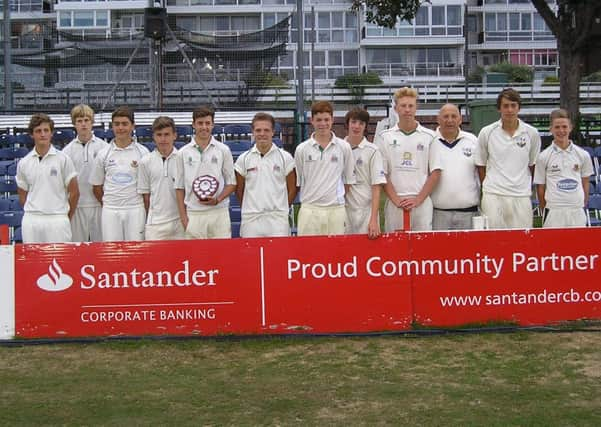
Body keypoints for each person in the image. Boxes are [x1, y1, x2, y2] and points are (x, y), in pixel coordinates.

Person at [375, 87, 441, 231]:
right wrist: (396, 200)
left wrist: (418, 199)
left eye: (410, 106)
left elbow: (435, 173)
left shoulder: (430, 136)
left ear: (416, 108)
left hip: (421, 203)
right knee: (395, 250)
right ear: (395, 108)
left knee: (422, 249)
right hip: (395, 203)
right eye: (403, 106)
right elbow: (382, 174)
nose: (407, 110)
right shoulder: (385, 137)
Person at [474, 88, 541, 229]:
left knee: (522, 239)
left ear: (518, 108)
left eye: (513, 105)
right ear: (499, 109)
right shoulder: (487, 132)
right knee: (494, 240)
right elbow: (480, 164)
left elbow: (533, 164)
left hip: (521, 195)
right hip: (494, 194)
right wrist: (490, 185)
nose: (509, 110)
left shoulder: (532, 133)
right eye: (505, 106)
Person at [294, 101, 355, 236]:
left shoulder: (344, 147)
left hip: (336, 210)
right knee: (308, 255)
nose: (323, 124)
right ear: (312, 121)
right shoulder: (301, 149)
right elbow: (299, 181)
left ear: (332, 120)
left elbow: (348, 181)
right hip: (309, 210)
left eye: (326, 119)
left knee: (336, 255)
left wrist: (333, 198)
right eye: (319, 120)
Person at [16, 113, 79, 243]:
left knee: (60, 261)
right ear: (32, 135)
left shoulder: (64, 159)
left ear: (51, 133)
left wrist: (64, 216)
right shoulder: (24, 162)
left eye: (46, 130)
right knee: (33, 261)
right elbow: (22, 196)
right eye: (38, 131)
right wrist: (35, 211)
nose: (42, 134)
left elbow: (74, 193)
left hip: (58, 220)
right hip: (32, 220)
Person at [89, 106, 150, 241]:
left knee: (135, 251)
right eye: (117, 124)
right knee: (112, 252)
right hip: (111, 209)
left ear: (133, 126)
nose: (120, 128)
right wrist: (110, 203)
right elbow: (96, 187)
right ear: (112, 126)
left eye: (124, 124)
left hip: (135, 208)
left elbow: (147, 189)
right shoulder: (103, 154)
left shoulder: (143, 153)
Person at [175, 106, 236, 239]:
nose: (204, 127)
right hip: (194, 214)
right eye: (200, 123)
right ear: (193, 124)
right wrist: (184, 218)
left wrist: (217, 200)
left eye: (207, 123)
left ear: (213, 124)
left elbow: (232, 183)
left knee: (221, 257)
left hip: (219, 212)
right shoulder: (182, 153)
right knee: (196, 258)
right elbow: (179, 188)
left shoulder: (223, 150)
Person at [234, 113, 296, 238]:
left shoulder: (285, 157)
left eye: (266, 130)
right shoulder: (243, 159)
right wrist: (250, 209)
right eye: (258, 130)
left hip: (277, 220)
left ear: (273, 132)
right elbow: (239, 191)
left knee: (278, 257)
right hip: (251, 220)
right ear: (253, 132)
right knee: (251, 257)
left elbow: (293, 188)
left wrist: (281, 207)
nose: (262, 133)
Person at [534, 109, 594, 228]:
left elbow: (586, 183)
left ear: (570, 127)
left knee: (578, 246)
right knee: (553, 246)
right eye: (557, 127)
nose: (561, 131)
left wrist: (580, 203)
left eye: (564, 127)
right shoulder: (543, 157)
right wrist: (547, 207)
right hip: (554, 211)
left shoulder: (583, 155)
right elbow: (540, 188)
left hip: (577, 211)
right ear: (551, 129)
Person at [62, 104, 108, 242]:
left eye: (87, 120)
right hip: (77, 207)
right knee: (77, 248)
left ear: (92, 122)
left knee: (101, 248)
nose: (83, 124)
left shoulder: (104, 149)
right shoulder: (66, 152)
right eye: (79, 121)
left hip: (99, 205)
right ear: (74, 124)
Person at [430, 104, 480, 230]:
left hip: (469, 213)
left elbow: (481, 172)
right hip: (438, 213)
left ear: (460, 119)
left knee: (469, 250)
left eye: (454, 116)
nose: (450, 120)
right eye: (445, 116)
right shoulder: (430, 141)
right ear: (438, 119)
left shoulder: (472, 140)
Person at [137, 116, 184, 240]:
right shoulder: (145, 161)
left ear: (175, 135)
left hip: (180, 222)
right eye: (159, 135)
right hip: (155, 224)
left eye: (167, 134)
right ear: (154, 137)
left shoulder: (184, 159)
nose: (163, 139)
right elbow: (146, 196)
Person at [343, 107, 386, 239]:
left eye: (361, 123)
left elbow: (376, 187)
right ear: (347, 124)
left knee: (367, 255)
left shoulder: (372, 151)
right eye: (354, 122)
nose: (357, 126)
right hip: (343, 210)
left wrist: (373, 219)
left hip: (366, 211)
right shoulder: (338, 148)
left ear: (365, 127)